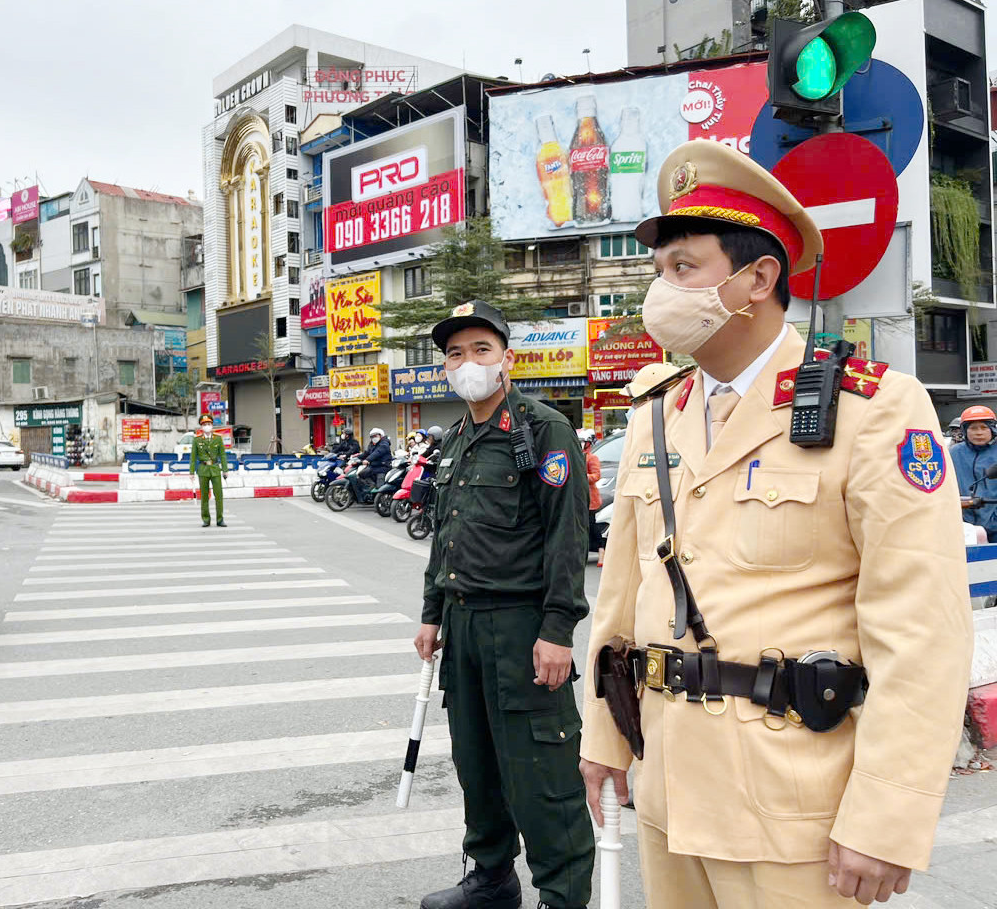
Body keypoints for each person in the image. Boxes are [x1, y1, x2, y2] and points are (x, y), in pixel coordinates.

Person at [579, 139, 971, 909]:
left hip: (796, 814)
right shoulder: (659, 412)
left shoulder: (872, 408)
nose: (663, 289)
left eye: (684, 267)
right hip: (668, 792)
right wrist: (604, 736)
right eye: (661, 271)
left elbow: (922, 629)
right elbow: (620, 598)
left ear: (757, 279)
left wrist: (887, 814)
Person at [414, 300, 593, 909]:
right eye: (455, 354)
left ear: (507, 359)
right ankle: (491, 878)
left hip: (522, 627)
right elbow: (447, 533)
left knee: (541, 770)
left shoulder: (544, 430)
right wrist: (432, 612)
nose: (468, 363)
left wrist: (559, 628)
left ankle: (562, 895)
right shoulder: (457, 439)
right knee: (477, 762)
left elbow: (569, 536)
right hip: (463, 624)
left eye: (480, 350)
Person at [950, 405, 997, 540]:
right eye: (973, 428)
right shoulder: (954, 453)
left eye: (984, 427)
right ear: (965, 431)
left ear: (993, 429)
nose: (979, 433)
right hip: (964, 526)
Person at [190, 413, 228, 528]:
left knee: (219, 495)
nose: (207, 426)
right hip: (203, 470)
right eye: (205, 424)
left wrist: (225, 470)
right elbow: (193, 457)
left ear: (212, 425)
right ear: (201, 427)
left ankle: (220, 519)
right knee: (204, 496)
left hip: (215, 469)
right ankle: (206, 519)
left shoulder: (218, 438)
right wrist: (191, 472)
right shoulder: (197, 440)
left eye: (209, 424)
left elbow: (222, 455)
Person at [579, 428, 603, 556]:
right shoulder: (577, 456)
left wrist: (582, 476)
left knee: (592, 525)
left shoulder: (592, 458)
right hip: (579, 496)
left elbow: (596, 475)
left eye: (582, 442)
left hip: (590, 498)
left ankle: (601, 550)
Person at [354, 428, 392, 500]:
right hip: (374, 466)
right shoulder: (372, 444)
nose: (374, 438)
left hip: (383, 467)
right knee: (361, 474)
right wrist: (357, 457)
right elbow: (367, 453)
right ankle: (371, 487)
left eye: (376, 436)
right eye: (372, 436)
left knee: (380, 486)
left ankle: (381, 500)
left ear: (381, 436)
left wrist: (368, 460)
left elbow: (377, 453)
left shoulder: (384, 444)